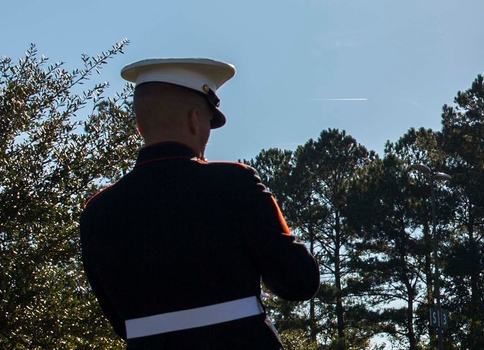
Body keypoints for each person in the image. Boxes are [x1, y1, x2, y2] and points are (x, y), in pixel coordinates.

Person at [80, 57, 320, 349]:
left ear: (141, 128)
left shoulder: (96, 211)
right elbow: (300, 281)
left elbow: (121, 323)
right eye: (208, 121)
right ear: (195, 119)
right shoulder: (235, 182)